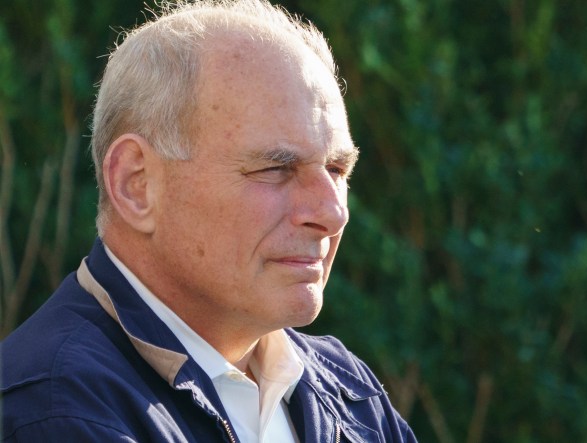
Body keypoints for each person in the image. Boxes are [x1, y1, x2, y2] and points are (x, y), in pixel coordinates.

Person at [1, 1, 417, 442]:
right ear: (136, 184)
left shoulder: (348, 393)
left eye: (336, 170)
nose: (331, 213)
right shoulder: (54, 413)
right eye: (274, 169)